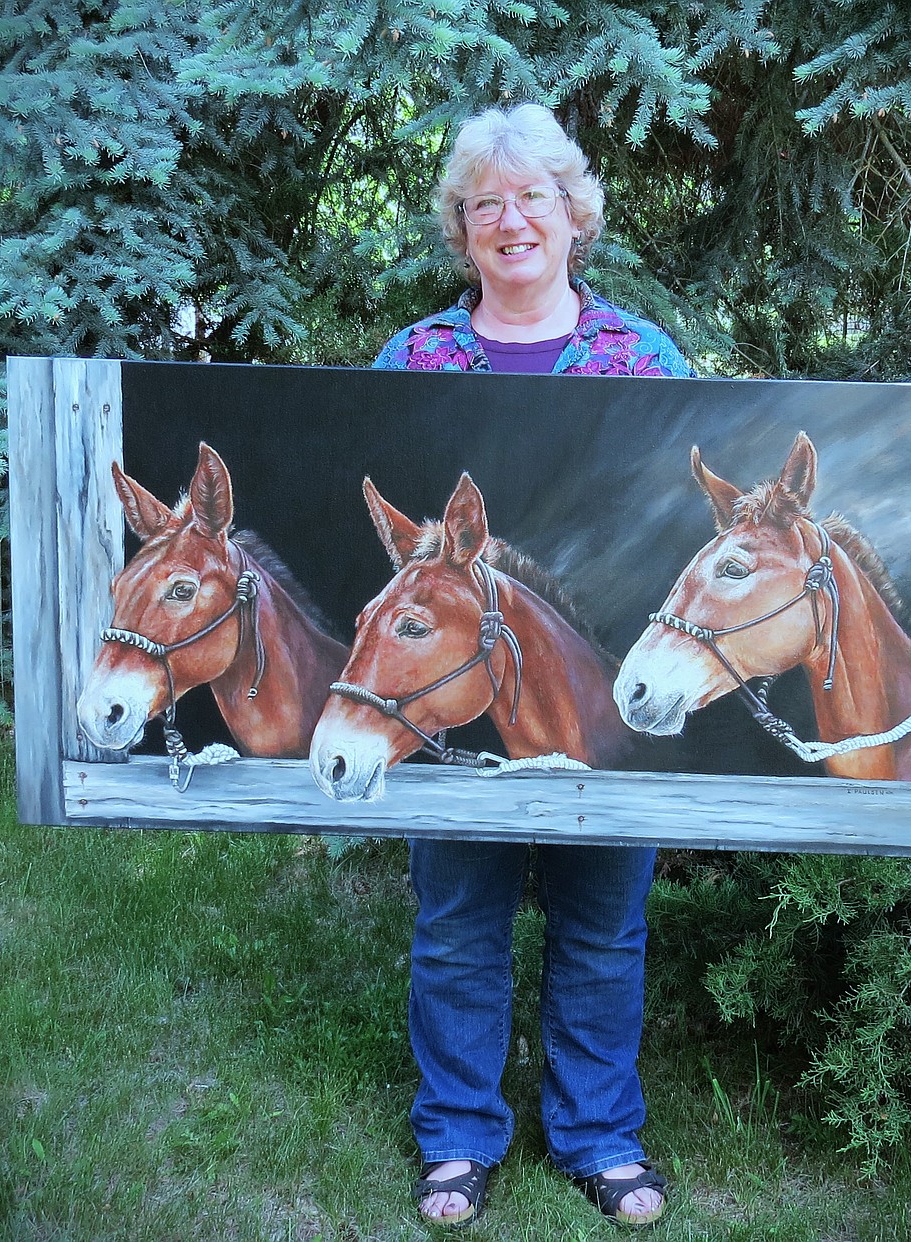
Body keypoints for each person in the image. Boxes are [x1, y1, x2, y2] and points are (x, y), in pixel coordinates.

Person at [372, 103, 694, 1228]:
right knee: (457, 927)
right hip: (451, 704)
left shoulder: (643, 359)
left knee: (604, 930)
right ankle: (457, 1139)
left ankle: (600, 1138)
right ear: (463, 230)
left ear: (575, 220)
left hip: (598, 700)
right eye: (487, 204)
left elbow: (678, 539)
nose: (512, 221)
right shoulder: (412, 361)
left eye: (535, 200)